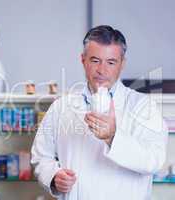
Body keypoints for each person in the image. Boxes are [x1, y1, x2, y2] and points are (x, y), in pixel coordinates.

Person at [31, 25, 168, 200]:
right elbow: (41, 156)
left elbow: (154, 160)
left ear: (122, 64)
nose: (102, 70)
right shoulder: (61, 107)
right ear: (83, 60)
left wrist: (113, 137)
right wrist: (53, 176)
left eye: (111, 62)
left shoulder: (144, 107)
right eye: (95, 60)